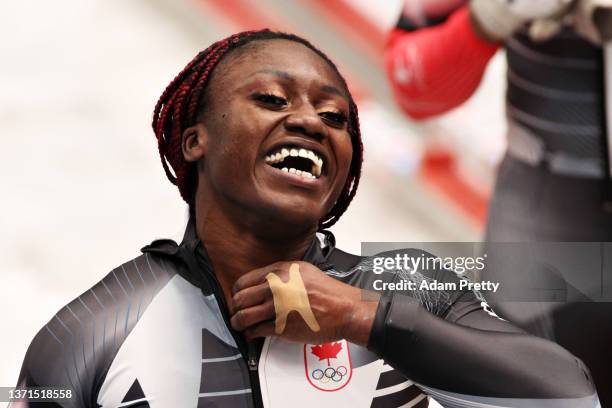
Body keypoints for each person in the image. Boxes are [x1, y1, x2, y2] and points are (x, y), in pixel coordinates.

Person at [12, 30, 600, 408]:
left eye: (336, 116)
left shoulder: (405, 285)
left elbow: (570, 396)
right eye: (271, 99)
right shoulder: (94, 326)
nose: (312, 122)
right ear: (195, 139)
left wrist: (363, 317)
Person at [385, 0, 612, 404]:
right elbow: (413, 89)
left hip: (546, 214)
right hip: (548, 221)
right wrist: (484, 21)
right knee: (530, 387)